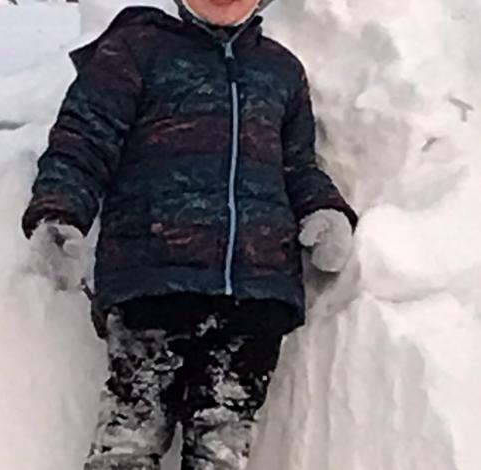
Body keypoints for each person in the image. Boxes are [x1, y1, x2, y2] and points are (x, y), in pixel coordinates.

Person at [21, 0, 358, 468]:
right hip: (153, 279)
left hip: (256, 293)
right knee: (130, 440)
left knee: (221, 448)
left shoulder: (280, 70)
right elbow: (84, 141)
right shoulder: (137, 50)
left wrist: (325, 209)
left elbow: (297, 164)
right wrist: (59, 213)